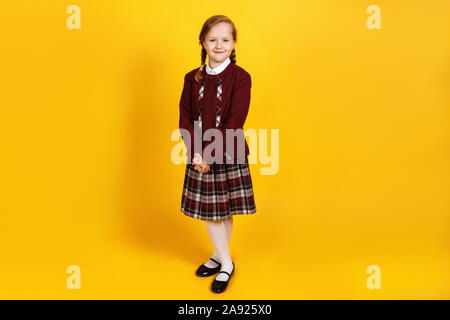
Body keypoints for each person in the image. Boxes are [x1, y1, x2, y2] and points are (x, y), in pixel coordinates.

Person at [178, 15, 257, 293]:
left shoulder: (241, 77)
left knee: (223, 210)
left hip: (228, 151)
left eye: (225, 40)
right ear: (203, 42)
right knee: (213, 212)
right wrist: (196, 153)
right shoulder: (191, 78)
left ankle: (224, 263)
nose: (219, 45)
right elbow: (185, 118)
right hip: (200, 155)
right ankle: (221, 258)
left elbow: (234, 121)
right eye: (213, 39)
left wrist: (211, 155)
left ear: (233, 43)